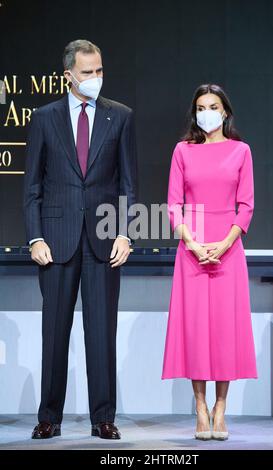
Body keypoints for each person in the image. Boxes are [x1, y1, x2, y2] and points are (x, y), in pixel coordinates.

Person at [23, 39, 138, 440]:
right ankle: (48, 418)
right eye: (87, 72)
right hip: (55, 242)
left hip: (105, 241)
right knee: (54, 333)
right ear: (68, 75)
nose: (95, 79)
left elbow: (128, 183)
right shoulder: (44, 118)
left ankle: (103, 418)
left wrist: (126, 231)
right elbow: (33, 186)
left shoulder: (119, 117)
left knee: (102, 333)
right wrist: (34, 237)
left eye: (100, 70)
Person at [161, 83, 257, 441]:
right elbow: (173, 205)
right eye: (201, 107)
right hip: (192, 249)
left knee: (224, 331)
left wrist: (226, 241)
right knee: (196, 330)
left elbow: (245, 205)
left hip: (229, 249)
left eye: (213, 106)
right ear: (195, 113)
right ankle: (199, 408)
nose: (207, 112)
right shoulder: (182, 151)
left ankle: (221, 408)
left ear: (225, 112)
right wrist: (193, 242)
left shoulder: (241, 151)